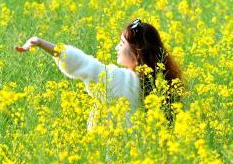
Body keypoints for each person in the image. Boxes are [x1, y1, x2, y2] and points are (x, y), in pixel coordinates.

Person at [15, 18, 183, 130]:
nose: (117, 47)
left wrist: (41, 43)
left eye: (122, 43)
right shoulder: (158, 84)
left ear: (136, 53)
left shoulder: (126, 81)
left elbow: (86, 65)